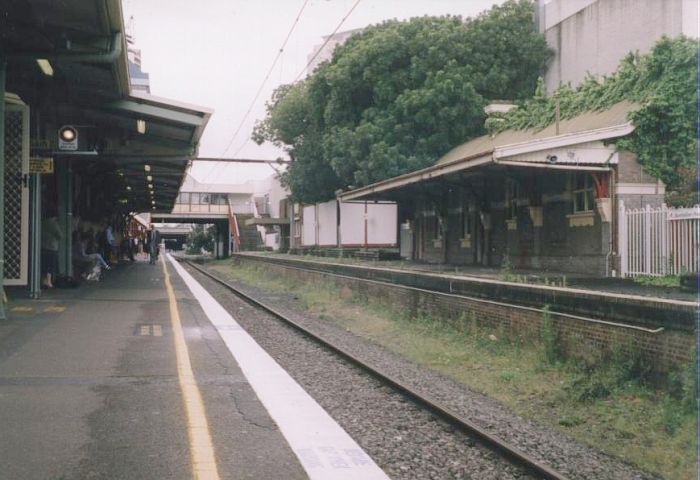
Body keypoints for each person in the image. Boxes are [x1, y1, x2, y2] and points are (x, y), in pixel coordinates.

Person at [41, 212, 63, 288]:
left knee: (44, 264)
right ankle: (48, 281)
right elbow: (60, 235)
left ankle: (43, 280)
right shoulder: (53, 223)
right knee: (50, 265)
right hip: (51, 247)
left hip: (43, 246)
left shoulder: (42, 222)